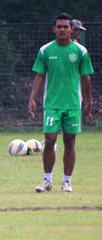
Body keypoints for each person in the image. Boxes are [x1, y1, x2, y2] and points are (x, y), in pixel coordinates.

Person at [28, 12, 93, 193]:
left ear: (71, 30)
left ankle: (67, 181)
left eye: (66, 27)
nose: (62, 30)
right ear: (54, 29)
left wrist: (89, 101)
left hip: (72, 103)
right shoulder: (45, 50)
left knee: (70, 141)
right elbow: (39, 75)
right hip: (52, 103)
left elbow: (85, 77)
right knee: (49, 139)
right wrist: (32, 99)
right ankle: (47, 180)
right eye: (59, 27)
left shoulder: (81, 52)